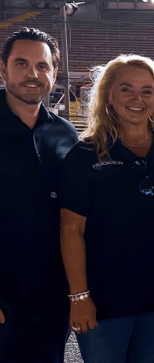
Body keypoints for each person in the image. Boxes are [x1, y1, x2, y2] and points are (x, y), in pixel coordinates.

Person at [60, 55, 154, 363]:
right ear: (108, 95)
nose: (137, 99)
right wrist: (79, 296)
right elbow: (70, 230)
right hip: (104, 299)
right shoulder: (84, 155)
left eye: (147, 91)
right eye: (126, 89)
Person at [0, 27, 77, 363]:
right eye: (21, 64)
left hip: (51, 295)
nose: (32, 74)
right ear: (2, 68)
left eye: (42, 66)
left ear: (54, 73)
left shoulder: (66, 133)